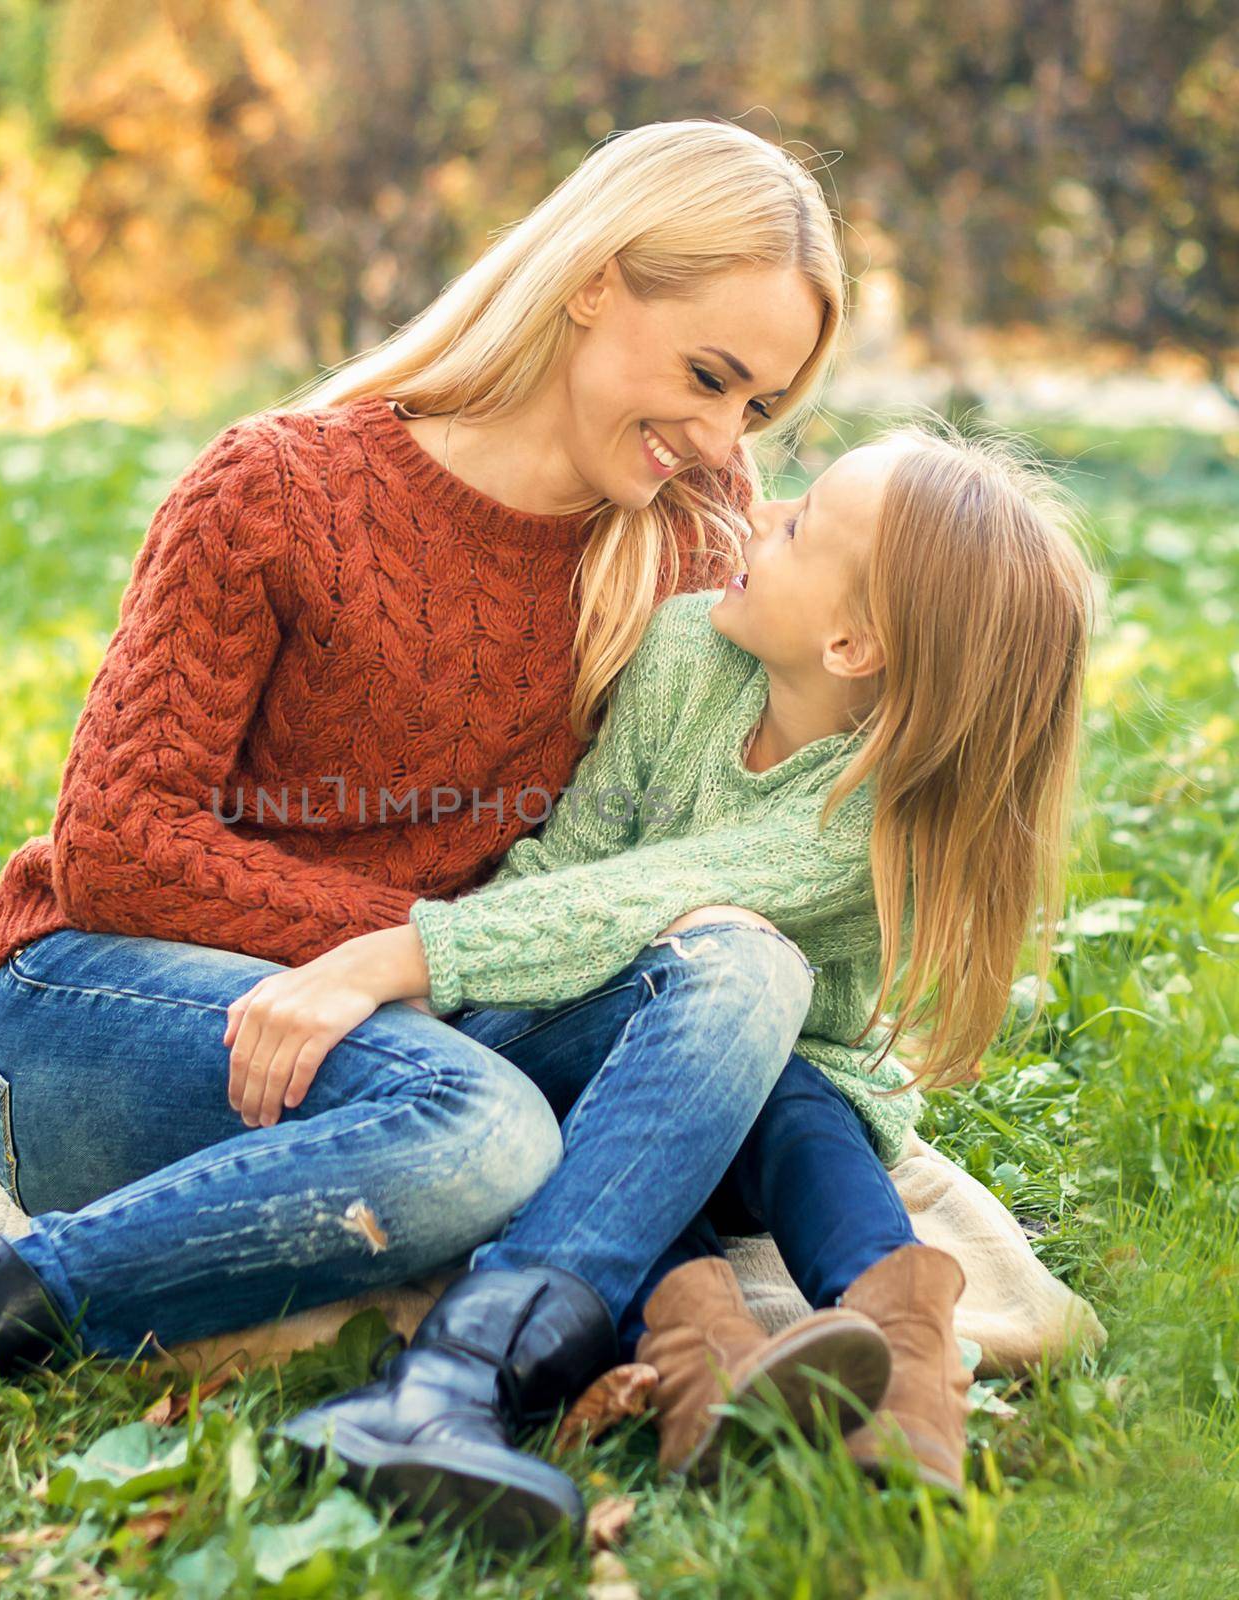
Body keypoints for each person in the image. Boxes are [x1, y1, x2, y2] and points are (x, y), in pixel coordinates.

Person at [0, 117, 848, 1524]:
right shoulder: (283, 489)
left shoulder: (693, 537)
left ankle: (448, 1390)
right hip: (114, 1008)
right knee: (490, 1126)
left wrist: (435, 968)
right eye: (708, 377)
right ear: (593, 281)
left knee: (748, 965)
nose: (722, 439)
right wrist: (418, 950)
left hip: (420, 1016)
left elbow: (709, 840)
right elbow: (121, 845)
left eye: (759, 407)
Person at [257, 421, 1093, 1533]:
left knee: (788, 1103)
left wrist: (418, 953)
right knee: (637, 1136)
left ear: (851, 644)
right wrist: (473, 968)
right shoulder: (682, 652)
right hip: (612, 1045)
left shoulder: (866, 813)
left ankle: (904, 1368)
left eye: (798, 527)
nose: (758, 511)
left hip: (780, 1097)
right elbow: (575, 858)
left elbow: (646, 897)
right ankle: (714, 1376)